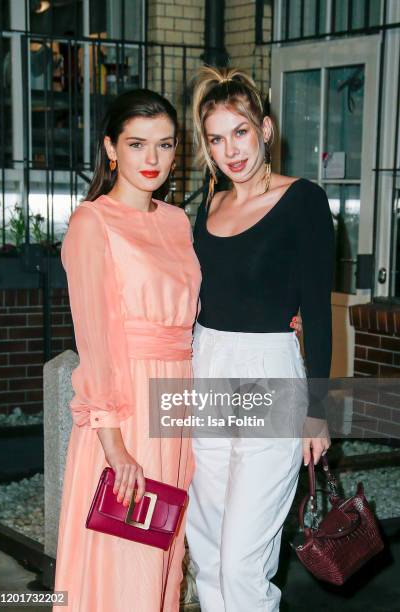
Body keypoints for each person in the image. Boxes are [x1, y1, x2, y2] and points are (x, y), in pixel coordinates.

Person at [186, 66, 334, 612]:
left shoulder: (304, 200)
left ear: (266, 129)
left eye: (241, 131)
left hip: (270, 371)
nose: (231, 150)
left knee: (242, 558)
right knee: (207, 545)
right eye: (217, 138)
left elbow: (317, 312)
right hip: (208, 368)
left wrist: (317, 411)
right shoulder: (208, 207)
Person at [53, 89, 202, 612]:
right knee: (125, 554)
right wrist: (114, 447)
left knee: (163, 551)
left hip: (177, 401)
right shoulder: (93, 222)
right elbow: (95, 341)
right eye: (138, 144)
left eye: (165, 145)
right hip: (127, 407)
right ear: (111, 148)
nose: (153, 160)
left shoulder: (178, 221)